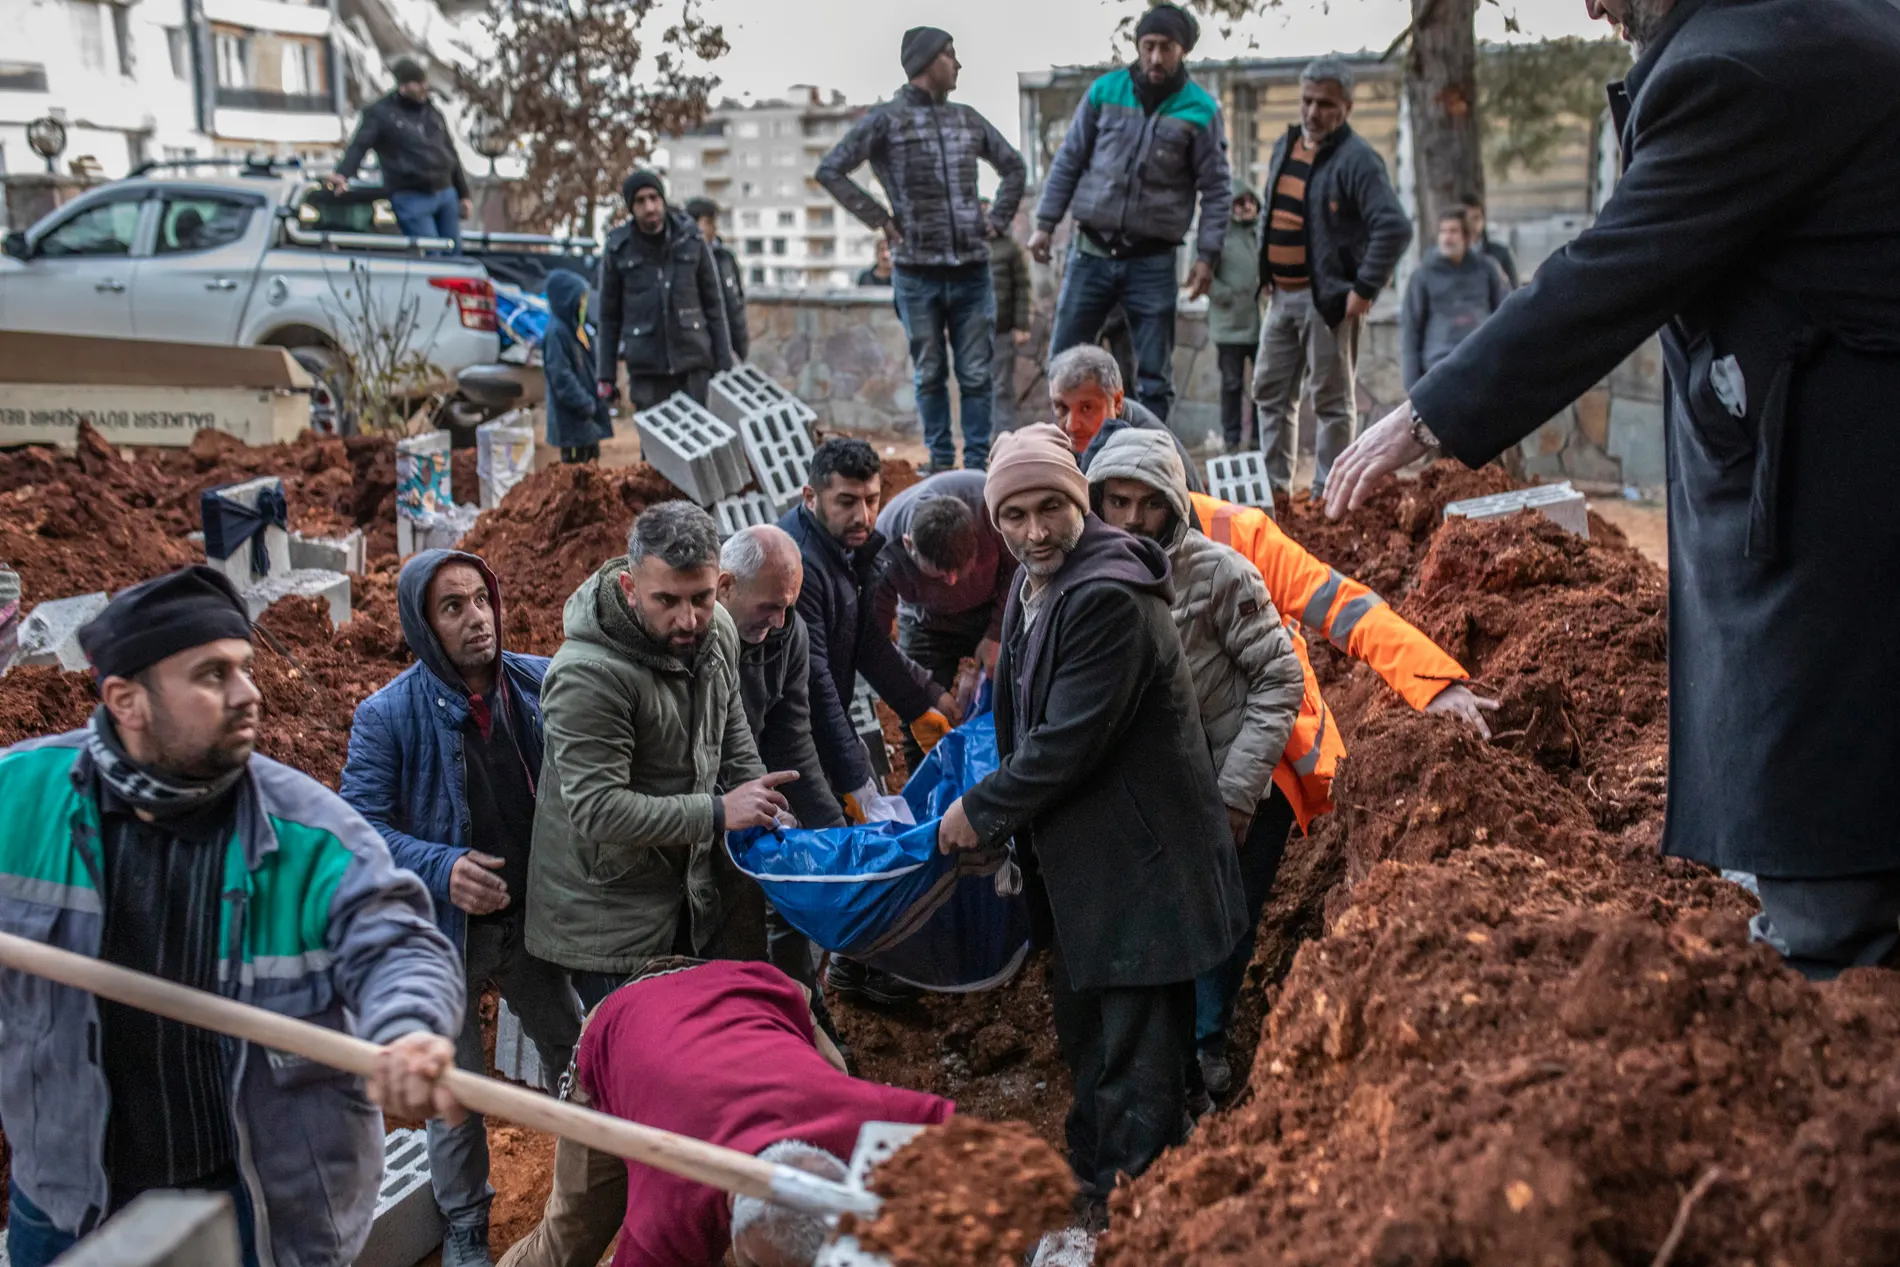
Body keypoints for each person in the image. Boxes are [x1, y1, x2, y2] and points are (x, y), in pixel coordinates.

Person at [1326, 0, 1900, 982]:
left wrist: (1427, 414)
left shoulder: (1740, 64)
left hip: (1829, 477)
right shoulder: (1799, 20)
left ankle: (1825, 967)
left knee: (1817, 734)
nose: (1589, 5)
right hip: (1813, 443)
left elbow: (1611, 269)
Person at [0, 566, 463, 1267]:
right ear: (126, 699)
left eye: (244, 667)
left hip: (259, 1214)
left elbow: (398, 944)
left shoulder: (311, 836)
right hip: (69, 1202)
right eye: (213, 674)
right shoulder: (17, 800)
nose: (249, 692)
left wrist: (410, 1028)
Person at [935, 424, 1246, 1222]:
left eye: (1052, 509)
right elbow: (1017, 711)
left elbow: (1067, 739)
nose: (1034, 531)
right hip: (1092, 860)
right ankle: (1093, 1164)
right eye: (1015, 516)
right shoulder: (1039, 578)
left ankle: (1126, 1208)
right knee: (1091, 1029)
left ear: (1080, 501)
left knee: (1134, 1044)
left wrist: (985, 811)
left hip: (1143, 862)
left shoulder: (1106, 593)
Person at [341, 551, 584, 1267]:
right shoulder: (387, 716)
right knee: (456, 1087)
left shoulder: (540, 683)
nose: (477, 618)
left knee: (575, 1049)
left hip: (532, 925)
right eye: (453, 606)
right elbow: (358, 828)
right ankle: (467, 1224)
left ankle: (595, 1184)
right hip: (443, 935)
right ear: (424, 623)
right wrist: (441, 867)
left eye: (482, 600)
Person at [1086, 429, 1305, 1100]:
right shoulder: (1088, 576)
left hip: (1234, 789)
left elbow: (1280, 677)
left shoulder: (1220, 572)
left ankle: (1208, 1045)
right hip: (1153, 795)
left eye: (1148, 503)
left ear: (1173, 503)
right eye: (1116, 501)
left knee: (1222, 924)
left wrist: (1237, 795)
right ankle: (1161, 1055)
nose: (1131, 519)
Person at [496, 958, 953, 1267]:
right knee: (568, 1239)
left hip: (753, 991)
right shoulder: (667, 1216)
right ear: (731, 1206)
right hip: (624, 1024)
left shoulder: (870, 1119)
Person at [525, 503, 797, 1010]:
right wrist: (718, 812)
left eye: (702, 596)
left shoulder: (715, 629)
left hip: (684, 888)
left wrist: (759, 797)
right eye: (666, 600)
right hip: (610, 917)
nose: (688, 618)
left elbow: (730, 720)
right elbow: (597, 810)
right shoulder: (588, 676)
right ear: (630, 589)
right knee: (632, 1072)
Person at [779, 438, 961, 1007]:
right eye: (847, 502)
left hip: (819, 729)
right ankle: (801, 1003)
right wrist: (854, 774)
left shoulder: (847, 554)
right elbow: (815, 683)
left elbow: (866, 647)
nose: (863, 516)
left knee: (855, 849)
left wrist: (925, 700)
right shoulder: (802, 568)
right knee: (823, 863)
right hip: (787, 740)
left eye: (873, 500)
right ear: (812, 496)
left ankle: (857, 971)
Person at [817, 27, 1027, 472]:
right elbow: (830, 169)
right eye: (950, 54)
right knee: (929, 372)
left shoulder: (967, 119)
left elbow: (1014, 167)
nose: (957, 64)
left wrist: (995, 221)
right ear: (927, 61)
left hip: (972, 269)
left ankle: (974, 465)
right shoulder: (886, 120)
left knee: (976, 373)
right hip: (916, 273)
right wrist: (882, 220)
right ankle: (939, 460)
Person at [1030, 3, 1231, 423]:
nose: (1157, 58)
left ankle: (1147, 458)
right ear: (1138, 46)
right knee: (1064, 359)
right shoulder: (1104, 92)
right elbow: (1068, 160)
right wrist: (1045, 225)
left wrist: (1207, 255)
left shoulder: (1201, 110)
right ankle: (1060, 454)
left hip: (1153, 261)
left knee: (1153, 374)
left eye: (1167, 48)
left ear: (1183, 50)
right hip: (1091, 252)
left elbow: (1215, 189)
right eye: (1149, 46)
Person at [1251, 55, 1411, 499]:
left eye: (1325, 104)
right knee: (1270, 391)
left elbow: (1394, 227)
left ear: (1346, 106)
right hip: (1281, 297)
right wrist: (1267, 270)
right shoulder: (1285, 146)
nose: (1312, 112)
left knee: (1333, 402)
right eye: (1307, 101)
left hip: (1328, 301)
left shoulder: (1357, 159)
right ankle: (1273, 492)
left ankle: (1327, 495)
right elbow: (1272, 211)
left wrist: (1364, 289)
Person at [717, 525, 847, 997]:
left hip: (748, 788)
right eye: (767, 607)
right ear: (725, 586)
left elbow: (792, 743)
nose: (776, 621)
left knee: (790, 881)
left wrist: (836, 839)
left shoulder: (789, 634)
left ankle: (802, 1005)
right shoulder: (694, 635)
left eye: (786, 607)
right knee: (735, 923)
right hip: (702, 803)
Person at [872, 470, 1018, 766]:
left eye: (959, 570)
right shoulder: (881, 547)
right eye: (939, 574)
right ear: (909, 545)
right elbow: (875, 644)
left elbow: (1020, 568)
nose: (951, 582)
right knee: (921, 718)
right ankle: (925, 796)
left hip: (994, 605)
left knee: (1016, 695)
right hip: (927, 623)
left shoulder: (989, 504)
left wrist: (996, 633)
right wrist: (931, 693)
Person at [595, 170, 734, 412]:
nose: (649, 207)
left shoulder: (691, 239)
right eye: (640, 201)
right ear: (631, 207)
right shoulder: (619, 249)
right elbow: (608, 316)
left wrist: (725, 365)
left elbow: (714, 304)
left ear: (662, 199)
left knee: (699, 443)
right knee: (654, 448)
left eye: (654, 198)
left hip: (693, 365)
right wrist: (606, 375)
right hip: (647, 371)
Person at [328, 57, 473, 251]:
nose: (424, 87)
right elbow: (359, 145)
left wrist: (464, 194)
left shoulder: (432, 112)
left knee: (454, 255)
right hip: (411, 196)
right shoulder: (381, 114)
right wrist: (343, 173)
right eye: (418, 83)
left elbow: (450, 153)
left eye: (424, 82)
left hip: (445, 193)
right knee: (431, 259)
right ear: (403, 87)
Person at [1050, 344, 1203, 493]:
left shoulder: (1142, 452)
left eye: (1087, 408)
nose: (1071, 426)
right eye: (1062, 408)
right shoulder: (1106, 419)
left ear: (1117, 402)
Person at [1401, 208, 1510, 391]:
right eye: (1443, 231)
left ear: (1467, 237)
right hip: (1440, 365)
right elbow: (1410, 329)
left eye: (1453, 231)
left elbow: (1507, 312)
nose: (1447, 238)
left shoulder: (1487, 269)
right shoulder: (1423, 275)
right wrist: (1412, 385)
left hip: (1483, 361)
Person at [1209, 179, 1265, 450]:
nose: (1246, 207)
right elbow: (1204, 274)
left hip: (1260, 324)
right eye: (1240, 202)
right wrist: (1225, 295)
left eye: (1251, 201)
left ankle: (1256, 438)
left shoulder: (1261, 234)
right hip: (1229, 325)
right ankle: (1231, 439)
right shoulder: (1219, 235)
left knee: (1261, 384)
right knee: (1231, 384)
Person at [542, 271, 613, 464]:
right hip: (572, 421)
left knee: (591, 464)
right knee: (576, 472)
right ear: (567, 299)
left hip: (586, 421)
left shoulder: (578, 329)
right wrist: (584, 402)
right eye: (580, 299)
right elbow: (561, 376)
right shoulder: (557, 333)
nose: (583, 305)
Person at [984, 195, 1033, 432]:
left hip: (1002, 329)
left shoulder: (1010, 248)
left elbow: (1023, 287)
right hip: (973, 331)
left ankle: (1005, 437)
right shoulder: (968, 247)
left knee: (1002, 386)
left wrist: (1022, 325)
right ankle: (980, 439)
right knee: (976, 384)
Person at [686, 195, 750, 363]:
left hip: (731, 352)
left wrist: (740, 348)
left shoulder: (725, 258)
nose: (714, 229)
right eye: (708, 223)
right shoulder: (685, 262)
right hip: (701, 356)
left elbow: (737, 302)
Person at [1460, 191, 1519, 289]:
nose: (1472, 224)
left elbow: (1514, 291)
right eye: (1467, 219)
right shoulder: (1450, 257)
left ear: (1483, 221)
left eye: (1476, 218)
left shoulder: (1500, 253)